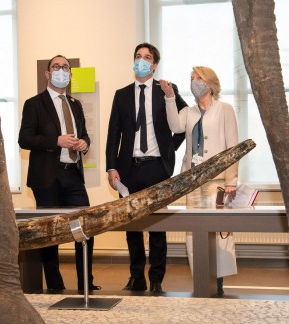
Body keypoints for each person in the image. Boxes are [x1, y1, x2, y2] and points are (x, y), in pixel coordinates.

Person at [105, 43, 187, 292]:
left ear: (154, 64)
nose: (142, 61)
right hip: (128, 169)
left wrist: (169, 149)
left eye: (147, 57)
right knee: (132, 226)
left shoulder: (167, 91)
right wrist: (111, 167)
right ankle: (136, 276)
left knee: (157, 227)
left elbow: (184, 122)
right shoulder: (121, 94)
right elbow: (113, 134)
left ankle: (156, 278)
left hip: (156, 168)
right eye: (138, 57)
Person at [19, 55, 100, 291]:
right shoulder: (34, 103)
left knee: (85, 228)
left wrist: (84, 143)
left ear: (71, 74)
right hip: (46, 177)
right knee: (50, 234)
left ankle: (86, 281)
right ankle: (55, 284)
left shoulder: (75, 104)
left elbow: (84, 134)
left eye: (65, 67)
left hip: (73, 175)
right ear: (47, 74)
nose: (61, 71)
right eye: (56, 67)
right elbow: (24, 139)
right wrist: (57, 140)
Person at [160, 66, 239, 295]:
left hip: (218, 181)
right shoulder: (189, 112)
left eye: (198, 79)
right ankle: (201, 279)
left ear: (210, 84)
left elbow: (233, 147)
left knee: (220, 232)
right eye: (191, 78)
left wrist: (232, 180)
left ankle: (219, 281)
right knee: (193, 232)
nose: (194, 82)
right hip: (192, 182)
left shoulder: (225, 110)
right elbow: (175, 126)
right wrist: (169, 98)